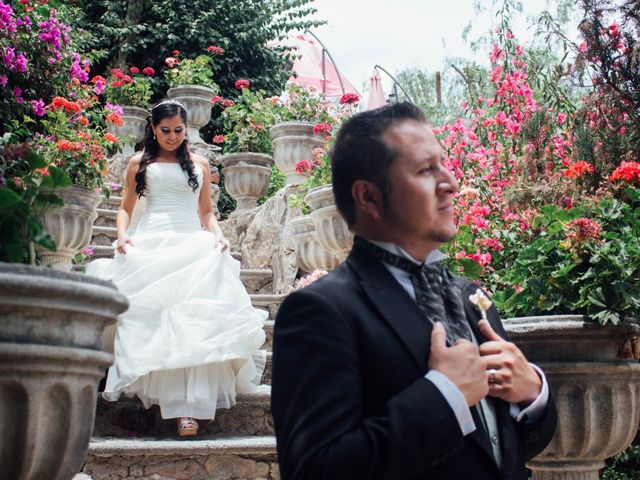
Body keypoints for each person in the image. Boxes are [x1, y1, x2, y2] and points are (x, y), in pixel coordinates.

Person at [271, 102, 557, 479]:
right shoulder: (320, 311)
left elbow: (500, 453)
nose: (451, 183)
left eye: (444, 164)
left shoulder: (470, 297)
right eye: (426, 170)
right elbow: (315, 470)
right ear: (369, 197)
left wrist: (532, 394)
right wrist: (444, 395)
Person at [87, 100, 267, 437]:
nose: (172, 136)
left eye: (178, 130)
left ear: (186, 130)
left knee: (194, 321)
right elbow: (125, 208)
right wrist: (123, 236)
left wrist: (218, 236)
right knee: (159, 318)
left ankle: (190, 409)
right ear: (154, 129)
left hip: (191, 239)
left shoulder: (198, 163)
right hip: (152, 239)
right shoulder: (139, 162)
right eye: (165, 130)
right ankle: (168, 399)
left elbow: (207, 213)